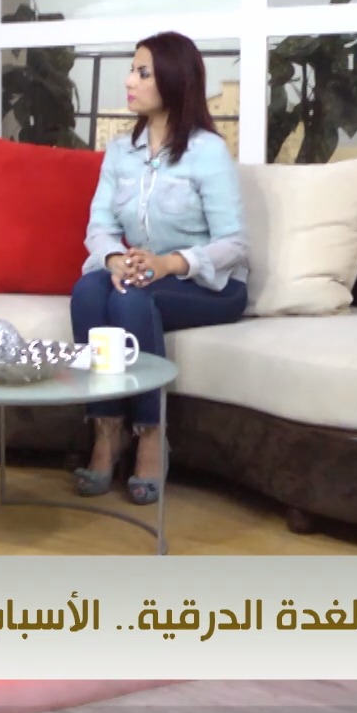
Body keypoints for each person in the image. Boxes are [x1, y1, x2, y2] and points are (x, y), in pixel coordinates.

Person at [70, 31, 249, 505]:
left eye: (142, 72)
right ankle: (107, 430)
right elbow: (99, 227)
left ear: (173, 80)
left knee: (130, 297)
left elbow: (234, 244)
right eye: (132, 70)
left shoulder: (207, 151)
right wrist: (115, 259)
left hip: (210, 283)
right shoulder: (120, 151)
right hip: (143, 274)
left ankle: (152, 433)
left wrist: (170, 264)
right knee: (88, 291)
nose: (129, 81)